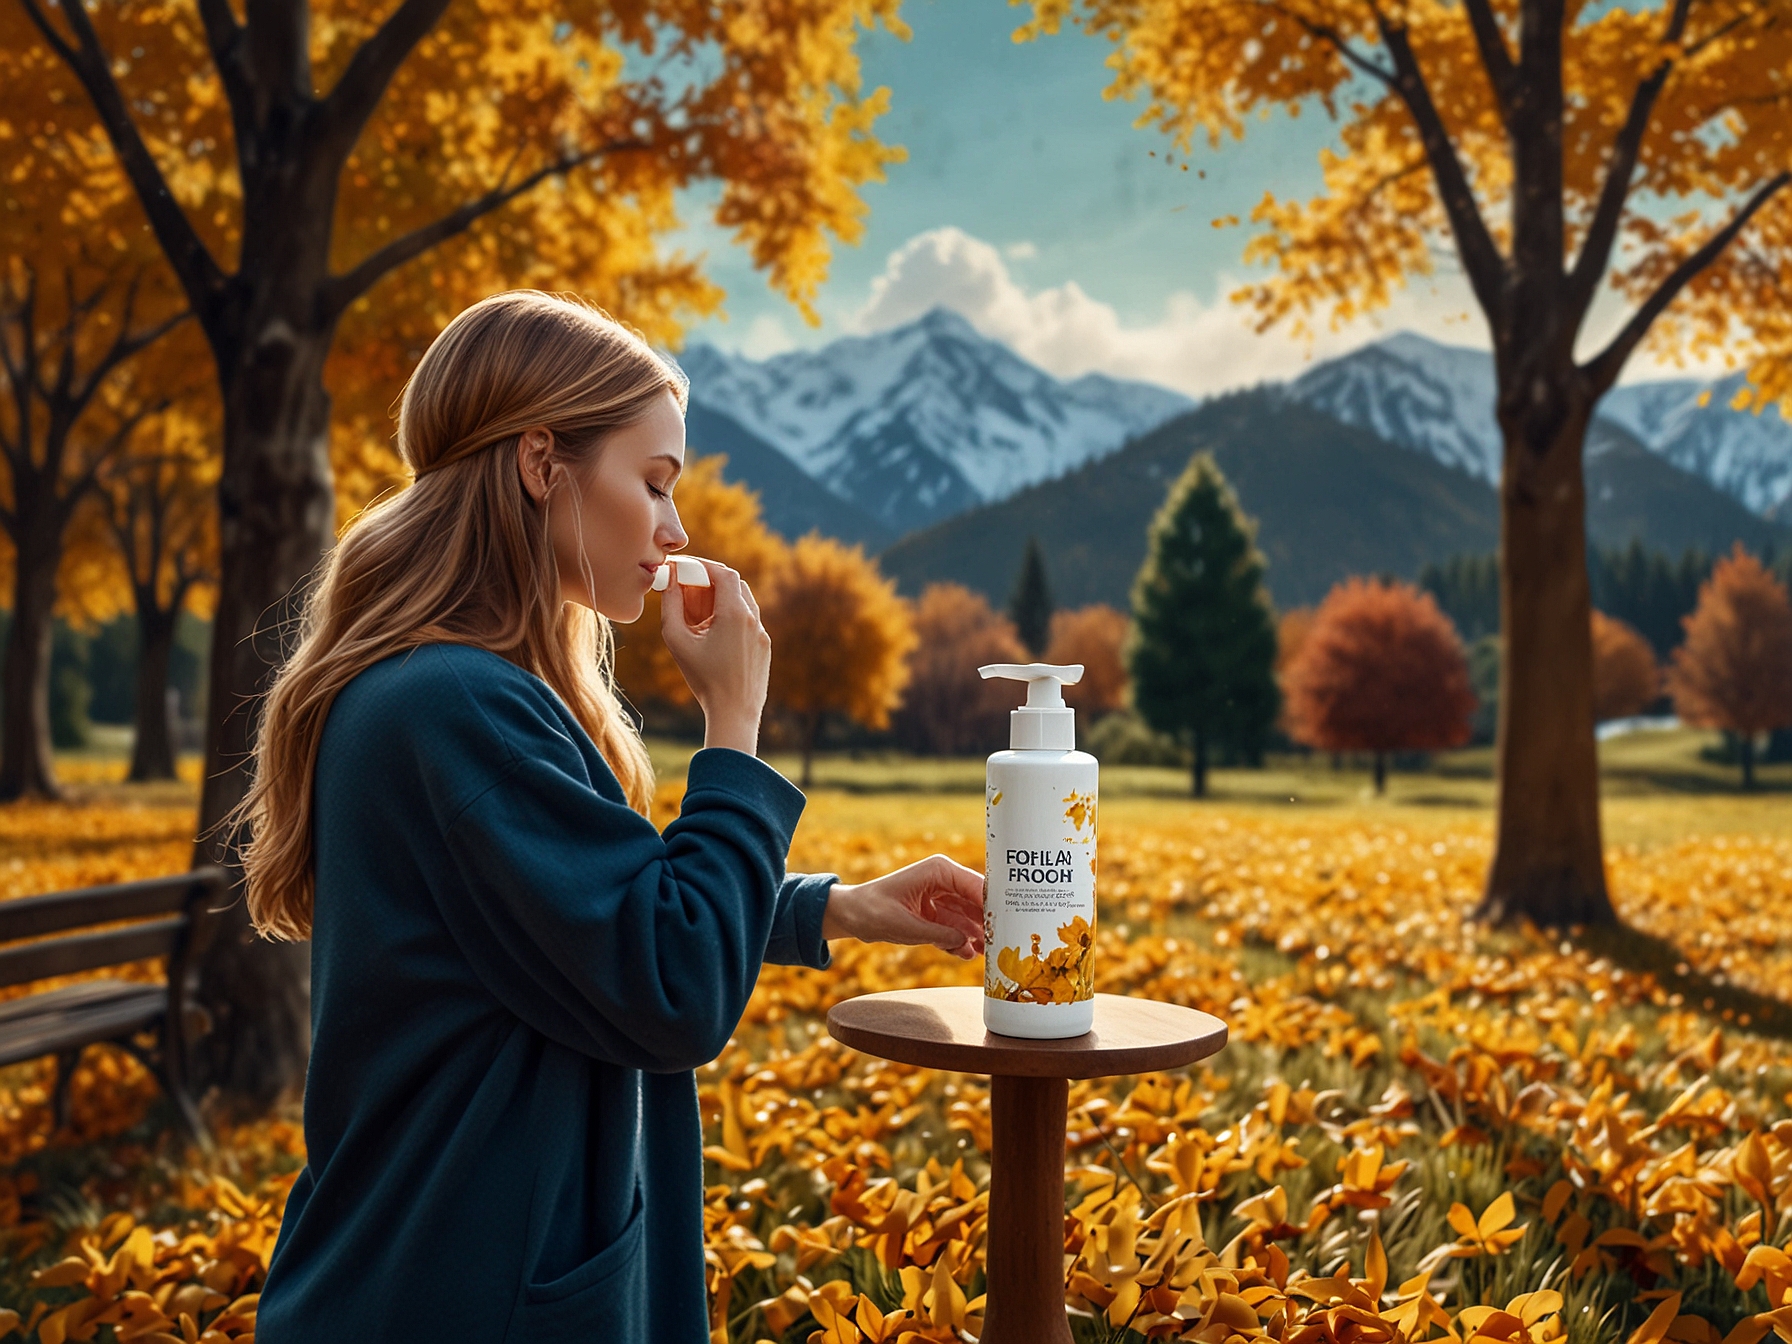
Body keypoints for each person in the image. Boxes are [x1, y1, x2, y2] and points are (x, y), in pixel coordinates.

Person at [239, 290, 987, 1342]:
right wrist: (734, 719)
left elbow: (565, 912)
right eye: (653, 483)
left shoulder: (451, 691)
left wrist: (834, 909)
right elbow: (669, 984)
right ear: (542, 464)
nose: (674, 529)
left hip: (443, 1262)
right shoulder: (455, 705)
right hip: (465, 1290)